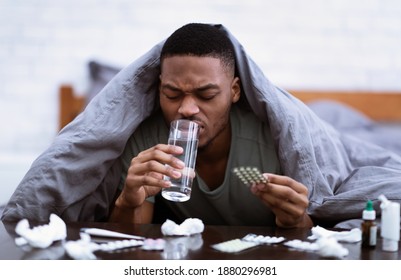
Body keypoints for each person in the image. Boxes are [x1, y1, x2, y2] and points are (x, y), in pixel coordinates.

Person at [2, 23, 401, 229]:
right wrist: (128, 200)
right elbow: (133, 242)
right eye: (172, 94)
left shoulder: (275, 140)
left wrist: (299, 219)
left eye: (206, 96)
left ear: (236, 91)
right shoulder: (145, 137)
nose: (187, 110)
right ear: (157, 89)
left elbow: (316, 227)